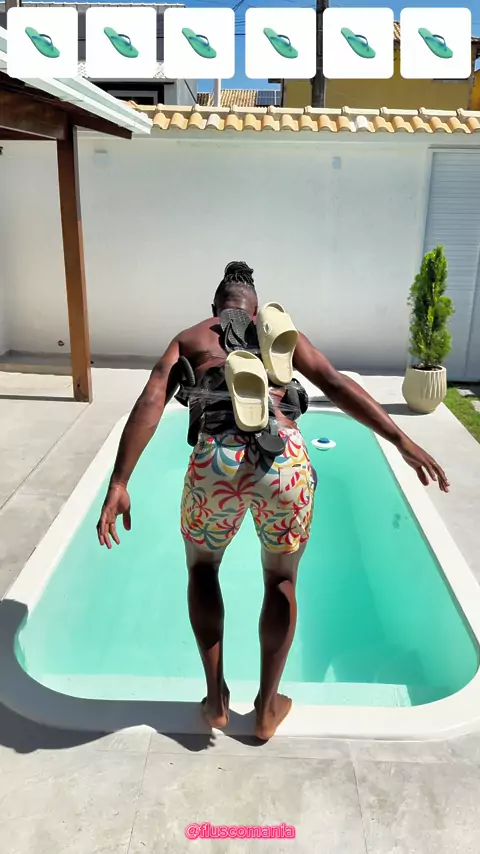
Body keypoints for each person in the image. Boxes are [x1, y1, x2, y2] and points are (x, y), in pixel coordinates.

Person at [97, 261, 449, 740]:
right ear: (258, 309)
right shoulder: (284, 335)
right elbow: (336, 384)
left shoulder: (190, 338)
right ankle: (266, 708)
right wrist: (401, 441)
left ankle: (216, 698)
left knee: (203, 570)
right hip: (283, 459)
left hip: (217, 459)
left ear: (216, 307)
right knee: (281, 579)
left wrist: (120, 481)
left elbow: (152, 399)